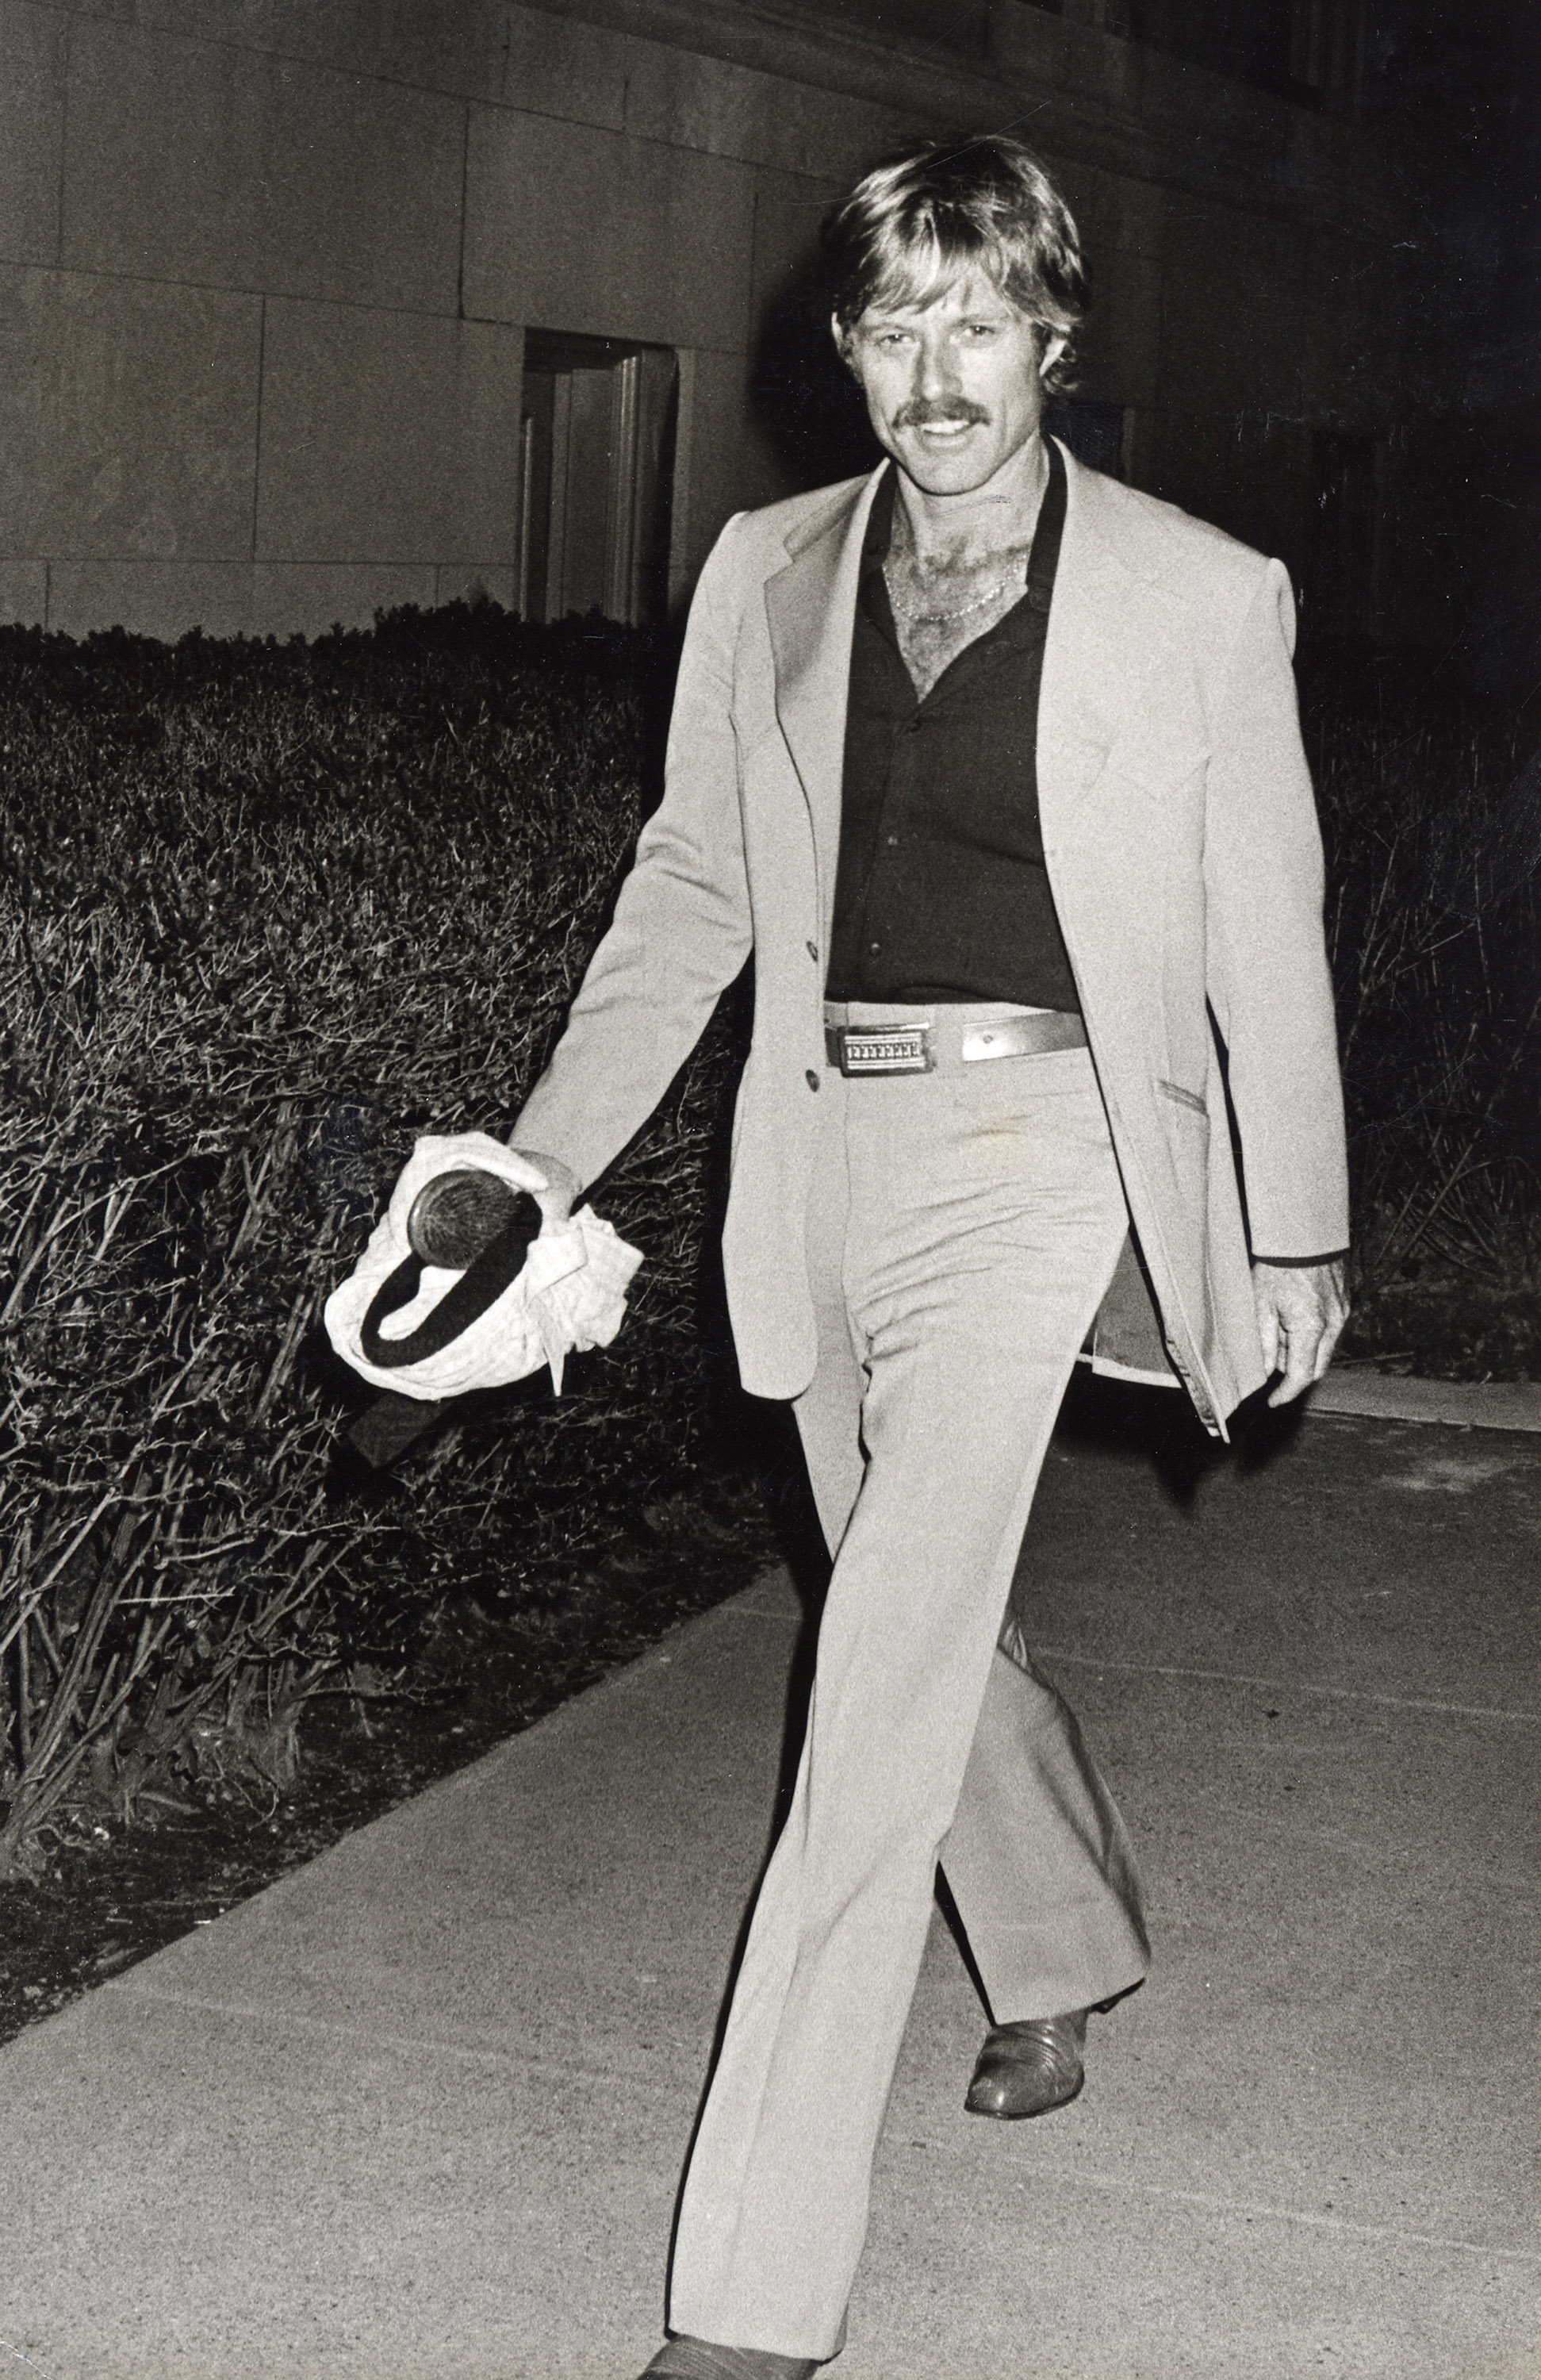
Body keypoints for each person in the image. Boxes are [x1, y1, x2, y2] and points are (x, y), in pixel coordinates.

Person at [508, 136, 1350, 2380]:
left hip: (1047, 1152)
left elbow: (1265, 931)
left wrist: (1297, 1222)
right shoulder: (769, 569)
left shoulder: (1197, 594)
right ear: (848, 347)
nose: (939, 373)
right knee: (912, 1603)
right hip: (824, 1152)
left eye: (981, 322)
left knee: (868, 1693)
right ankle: (1061, 1942)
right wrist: (536, 1165)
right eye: (897, 325)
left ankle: (751, 2300)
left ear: (1052, 337)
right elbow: (694, 889)